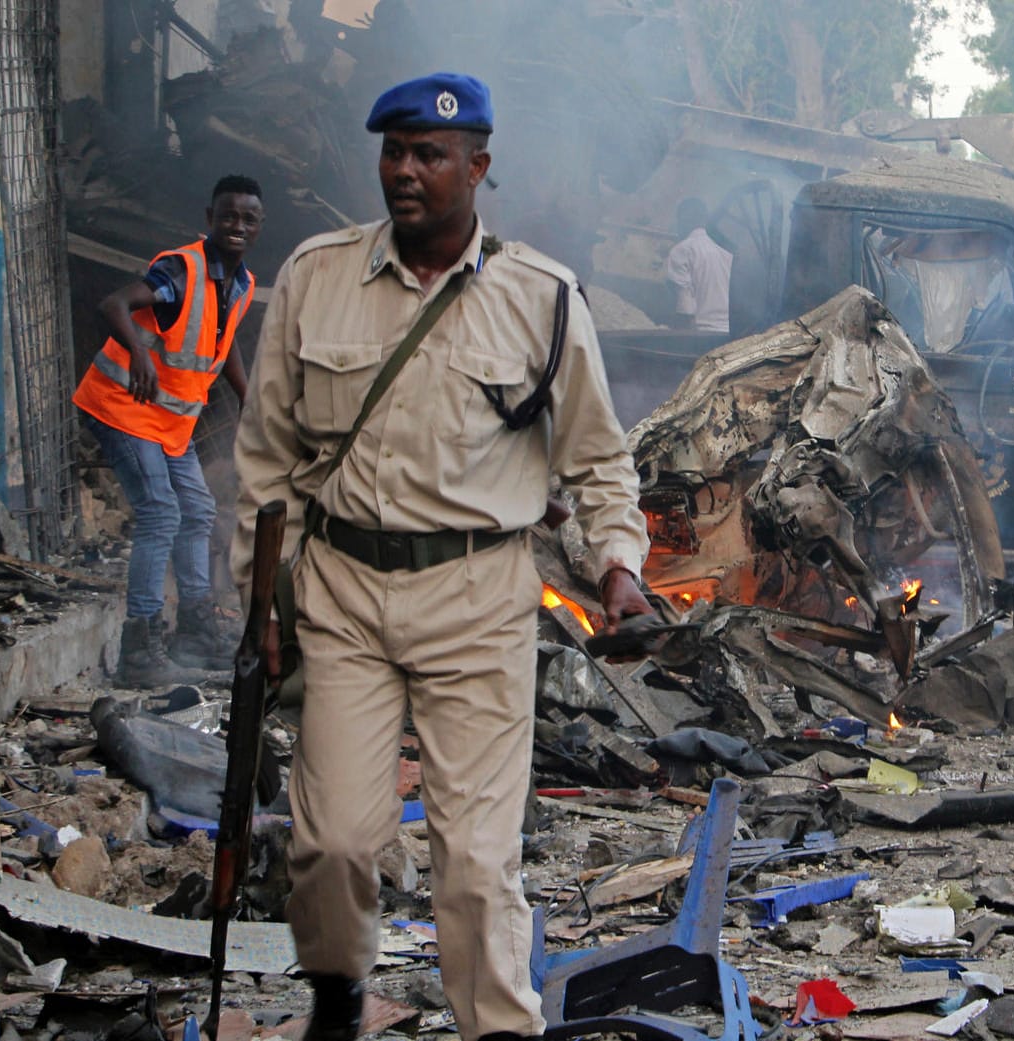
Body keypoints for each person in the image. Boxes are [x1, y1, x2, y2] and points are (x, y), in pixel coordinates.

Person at [230, 73, 652, 1040]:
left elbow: (596, 455)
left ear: (479, 166)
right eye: (394, 152)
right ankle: (337, 992)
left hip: (480, 595)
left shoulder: (541, 298)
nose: (406, 172)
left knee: (475, 859)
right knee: (332, 841)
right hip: (342, 592)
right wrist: (263, 603)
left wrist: (619, 565)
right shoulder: (314, 275)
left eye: (429, 155)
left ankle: (498, 1029)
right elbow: (267, 458)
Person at [72, 174, 265, 686]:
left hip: (169, 422)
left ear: (259, 225)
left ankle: (195, 631)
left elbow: (225, 345)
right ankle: (141, 648)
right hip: (121, 406)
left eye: (248, 218)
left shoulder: (241, 283)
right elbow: (114, 304)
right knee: (161, 512)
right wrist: (137, 350)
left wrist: (248, 398)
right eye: (228, 216)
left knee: (197, 509)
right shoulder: (180, 270)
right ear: (210, 219)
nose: (237, 226)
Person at [663, 197, 732, 333]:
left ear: (683, 219)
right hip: (725, 333)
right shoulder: (725, 255)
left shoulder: (681, 250)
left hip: (701, 334)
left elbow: (686, 307)